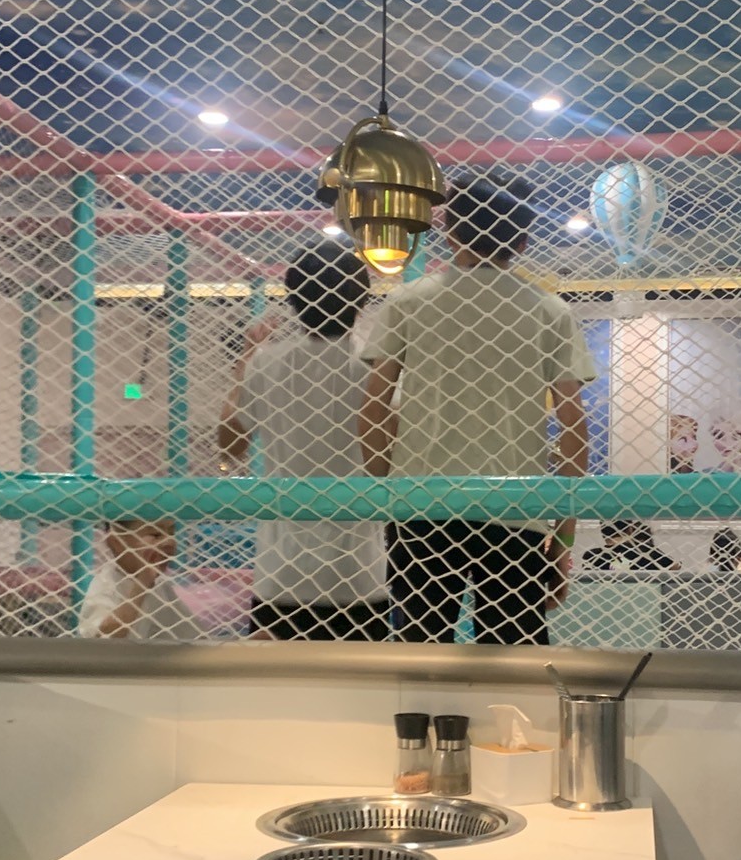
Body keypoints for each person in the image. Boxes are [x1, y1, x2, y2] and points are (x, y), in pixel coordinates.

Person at [359, 177, 592, 645]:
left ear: (449, 233)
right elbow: (574, 428)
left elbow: (372, 410)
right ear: (522, 242)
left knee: (420, 650)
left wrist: (390, 492)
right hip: (515, 508)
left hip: (421, 505)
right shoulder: (548, 310)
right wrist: (563, 539)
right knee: (513, 653)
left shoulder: (408, 301)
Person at [219, 242, 388, 641]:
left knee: (276, 681)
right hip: (360, 574)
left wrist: (247, 358)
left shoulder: (267, 363)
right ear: (361, 301)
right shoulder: (374, 368)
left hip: (283, 574)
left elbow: (230, 445)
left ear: (294, 300)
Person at [78, 519, 200, 640]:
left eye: (172, 534)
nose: (169, 542)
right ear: (117, 542)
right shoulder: (107, 585)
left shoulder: (161, 586)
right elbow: (103, 636)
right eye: (155, 535)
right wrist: (142, 584)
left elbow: (194, 634)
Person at [582, 520, 681, 574]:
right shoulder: (646, 551)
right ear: (630, 529)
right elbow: (675, 567)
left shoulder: (591, 556)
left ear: (602, 532)